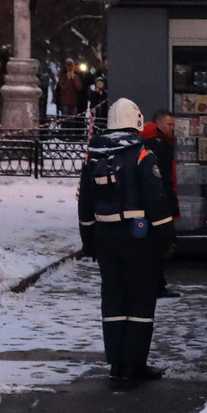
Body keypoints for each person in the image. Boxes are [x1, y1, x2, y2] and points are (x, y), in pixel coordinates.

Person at [77, 98, 174, 383]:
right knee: (140, 300)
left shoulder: (93, 154)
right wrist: (167, 238)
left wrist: (88, 238)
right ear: (137, 120)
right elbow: (156, 200)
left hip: (104, 237)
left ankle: (116, 363)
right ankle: (135, 364)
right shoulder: (142, 154)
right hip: (137, 238)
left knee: (113, 299)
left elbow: (85, 201)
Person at [141, 109, 182, 299]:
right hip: (160, 204)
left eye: (173, 125)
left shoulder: (145, 141)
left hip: (149, 205)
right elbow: (164, 179)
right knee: (161, 245)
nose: (172, 129)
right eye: (169, 125)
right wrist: (171, 205)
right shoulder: (159, 144)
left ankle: (152, 283)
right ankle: (157, 285)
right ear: (158, 124)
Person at [55, 59, 83, 131]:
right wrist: (68, 79)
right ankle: (64, 132)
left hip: (73, 101)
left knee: (73, 119)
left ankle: (71, 133)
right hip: (64, 101)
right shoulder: (62, 76)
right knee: (65, 117)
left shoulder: (76, 77)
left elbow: (79, 88)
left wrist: (73, 79)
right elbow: (62, 87)